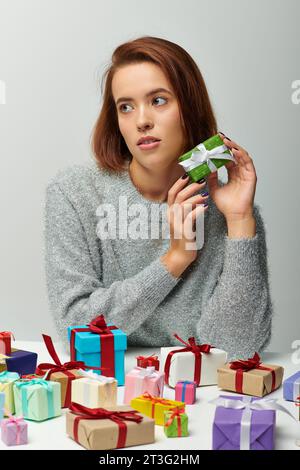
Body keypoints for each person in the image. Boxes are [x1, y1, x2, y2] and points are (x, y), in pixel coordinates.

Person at [44, 36, 273, 360]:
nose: (141, 121)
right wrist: (176, 258)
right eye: (126, 107)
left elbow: (236, 351)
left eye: (159, 100)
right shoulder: (76, 194)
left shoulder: (230, 206)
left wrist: (239, 222)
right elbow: (77, 330)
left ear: (190, 109)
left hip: (199, 398)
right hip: (111, 389)